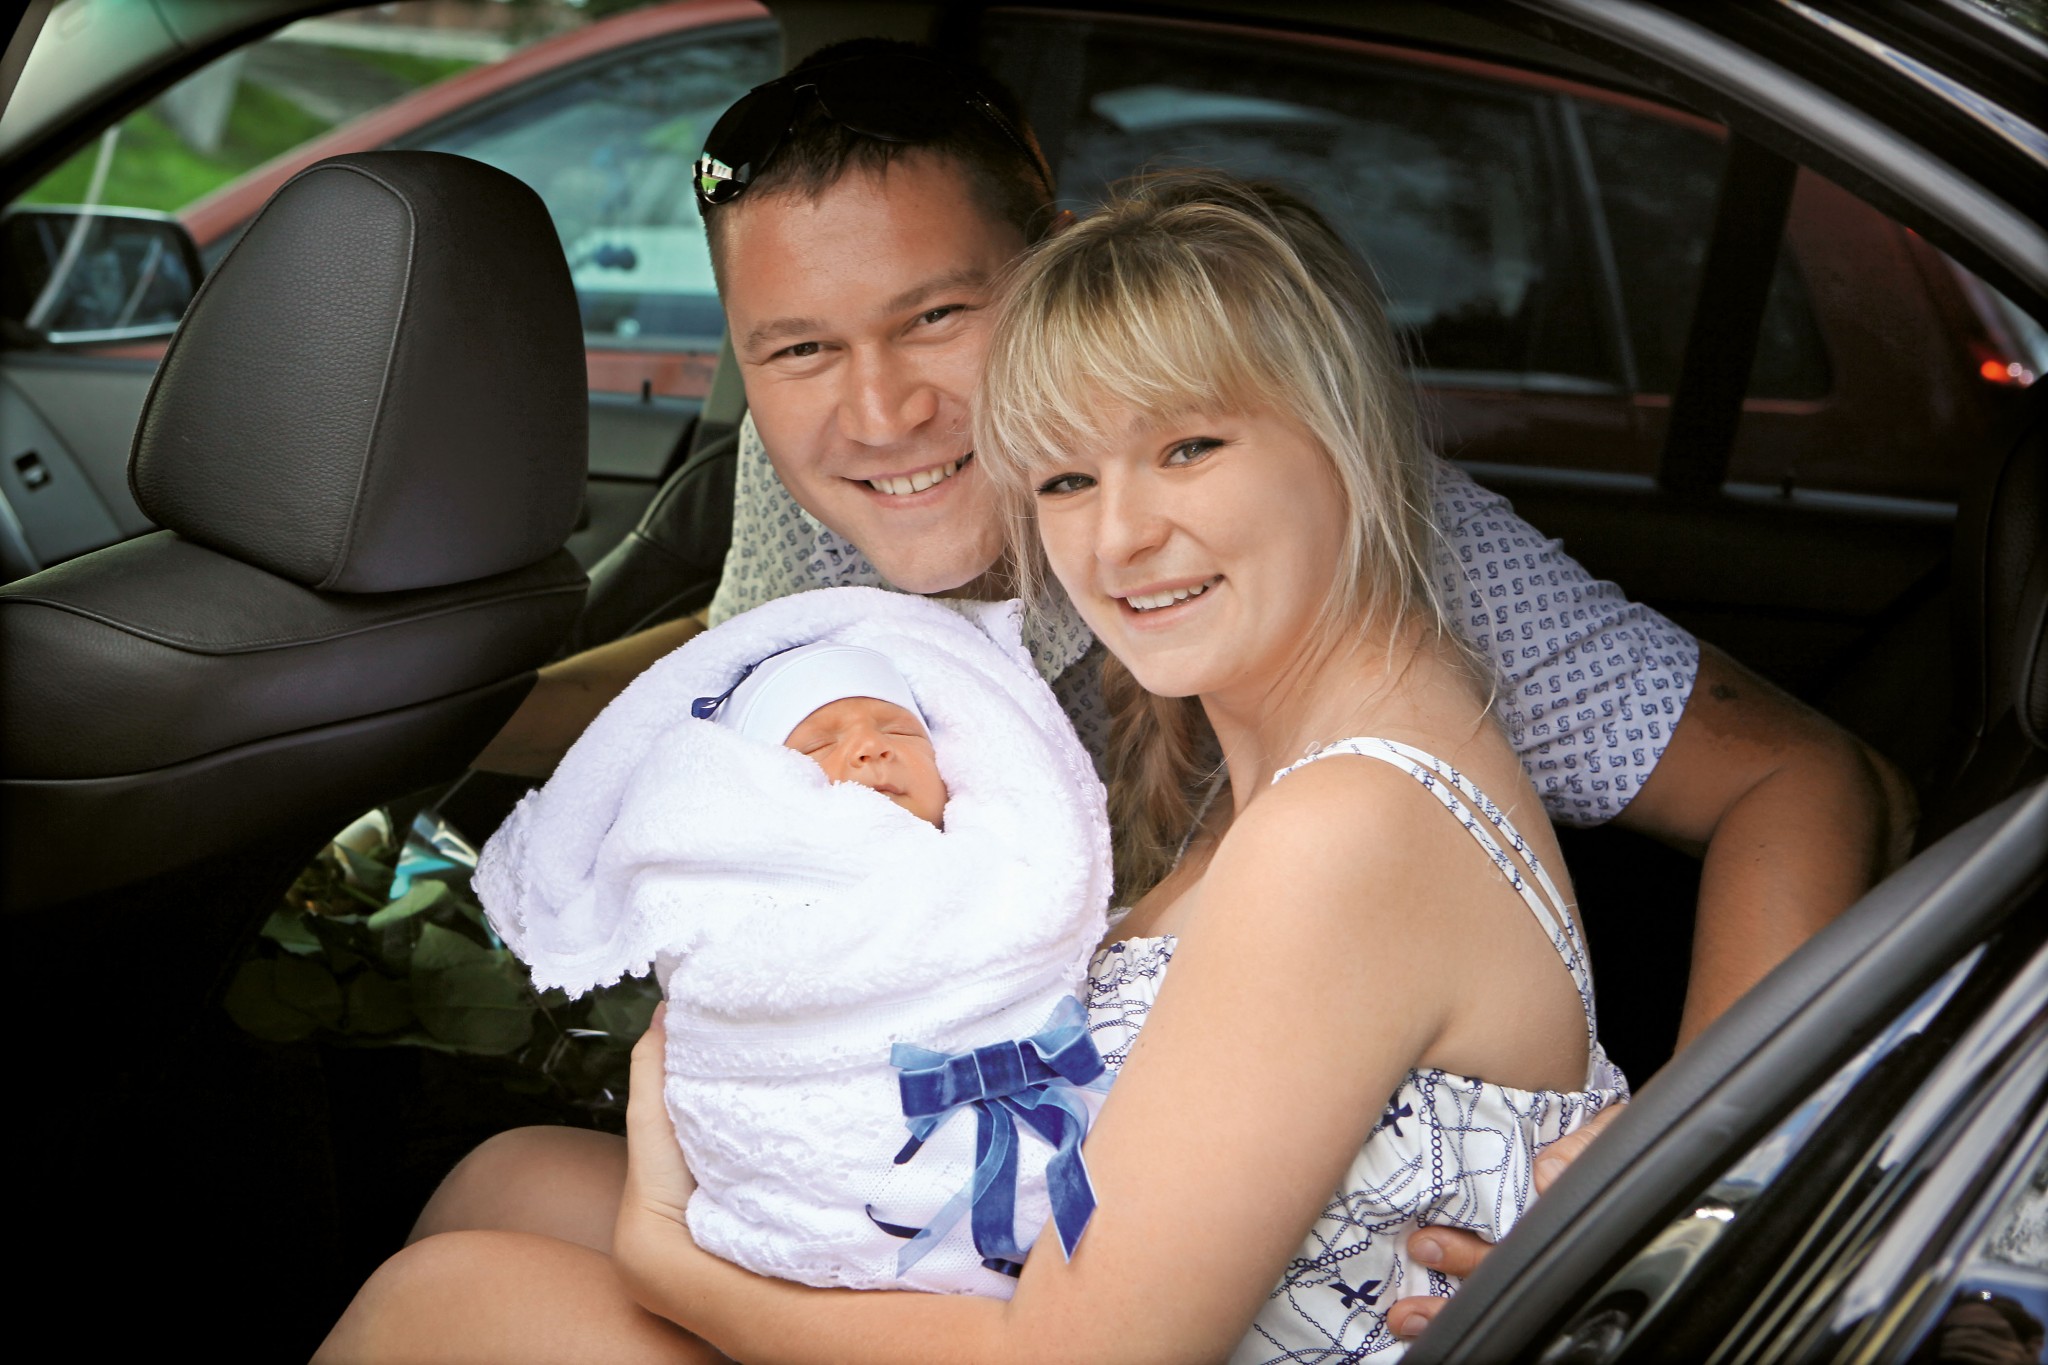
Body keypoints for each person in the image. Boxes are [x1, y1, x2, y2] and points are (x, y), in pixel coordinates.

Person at [414, 34, 1911, 1336]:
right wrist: (415, 720)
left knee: (460, 1302)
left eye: (936, 317)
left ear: (1053, 278)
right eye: (800, 349)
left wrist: (1688, 1183)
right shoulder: (829, 480)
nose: (880, 414)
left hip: (1169, 1254)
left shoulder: (1355, 567)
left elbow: (1802, 779)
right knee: (506, 1183)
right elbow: (739, 686)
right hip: (1021, 1166)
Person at [321, 167, 1637, 1362]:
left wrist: (674, 1261)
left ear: (1342, 433)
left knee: (448, 1304)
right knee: (513, 1180)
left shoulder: (1344, 830)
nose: (1119, 538)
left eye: (1187, 447)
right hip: (1056, 1282)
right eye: (1063, 480)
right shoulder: (1331, 744)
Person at [473, 589, 1117, 1299]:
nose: (871, 746)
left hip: (1009, 1218)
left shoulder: (994, 871)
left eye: (900, 730)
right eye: (816, 744)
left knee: (453, 1260)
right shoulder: (730, 883)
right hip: (801, 1173)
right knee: (495, 1177)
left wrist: (655, 1228)